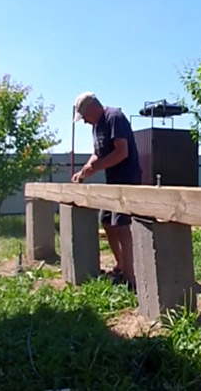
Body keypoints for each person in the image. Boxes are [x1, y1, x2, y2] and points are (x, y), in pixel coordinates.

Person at [71, 92, 142, 287]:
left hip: (127, 180)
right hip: (112, 181)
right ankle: (121, 264)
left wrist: (98, 166)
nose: (85, 122)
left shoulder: (114, 117)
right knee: (106, 221)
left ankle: (130, 276)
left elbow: (122, 152)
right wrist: (84, 171)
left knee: (122, 226)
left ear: (92, 108)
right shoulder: (96, 125)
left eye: (84, 116)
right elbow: (98, 153)